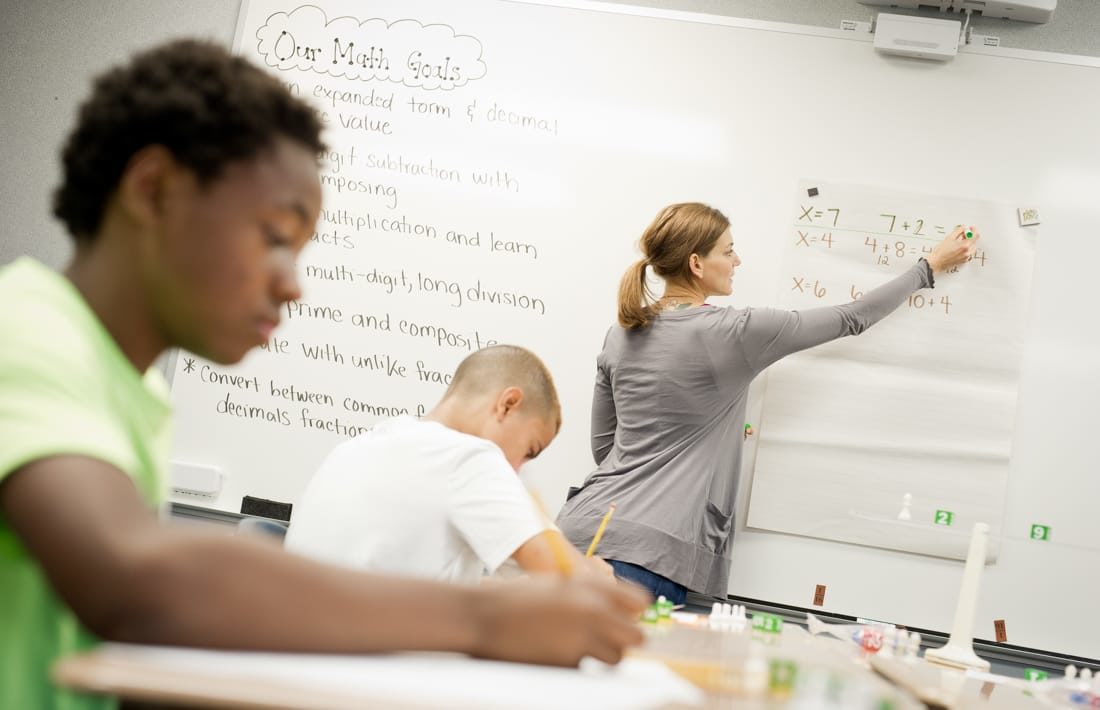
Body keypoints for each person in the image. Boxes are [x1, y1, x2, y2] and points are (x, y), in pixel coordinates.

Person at [0, 40, 647, 710]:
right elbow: (129, 580)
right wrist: (485, 619)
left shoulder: (136, 388)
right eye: (276, 237)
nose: (293, 287)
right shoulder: (25, 333)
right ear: (153, 190)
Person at [556, 202, 980, 604]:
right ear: (696, 263)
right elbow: (853, 317)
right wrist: (929, 268)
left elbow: (605, 449)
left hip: (574, 534)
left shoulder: (621, 333)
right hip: (644, 556)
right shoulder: (736, 331)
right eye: (729, 250)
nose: (737, 261)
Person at [287, 345, 610, 582]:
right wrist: (592, 572)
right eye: (529, 450)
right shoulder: (469, 458)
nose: (517, 469)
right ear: (507, 405)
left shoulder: (363, 444)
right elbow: (570, 582)